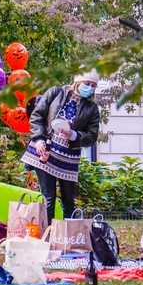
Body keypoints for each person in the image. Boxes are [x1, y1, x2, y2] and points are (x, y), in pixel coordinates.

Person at [21, 70, 101, 223]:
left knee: (68, 201)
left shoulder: (92, 109)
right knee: (48, 198)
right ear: (78, 82)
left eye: (93, 85)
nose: (90, 87)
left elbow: (92, 136)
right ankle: (47, 237)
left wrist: (74, 135)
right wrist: (38, 139)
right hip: (45, 151)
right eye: (87, 83)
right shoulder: (56, 92)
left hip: (68, 158)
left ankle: (67, 238)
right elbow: (37, 116)